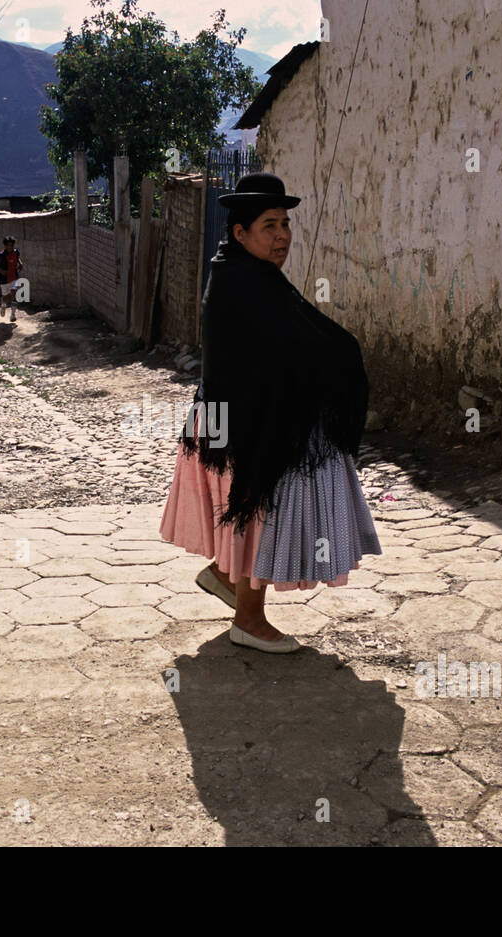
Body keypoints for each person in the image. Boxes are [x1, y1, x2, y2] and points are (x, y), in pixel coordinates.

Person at [159, 172, 382, 653]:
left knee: (252, 516)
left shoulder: (240, 270)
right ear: (240, 232)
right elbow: (287, 346)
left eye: (285, 224)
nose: (282, 236)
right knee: (259, 515)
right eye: (269, 226)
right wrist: (340, 356)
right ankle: (249, 619)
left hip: (231, 418)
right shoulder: (246, 281)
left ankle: (223, 573)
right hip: (243, 426)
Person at [0, 235, 23, 322]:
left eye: (11, 245)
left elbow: (17, 259)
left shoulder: (16, 252)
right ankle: (3, 305)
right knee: (5, 297)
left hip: (14, 277)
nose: (10, 247)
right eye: (8, 245)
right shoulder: (1, 255)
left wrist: (20, 264)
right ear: (5, 246)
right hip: (4, 279)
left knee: (14, 294)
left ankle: (13, 315)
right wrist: (2, 271)